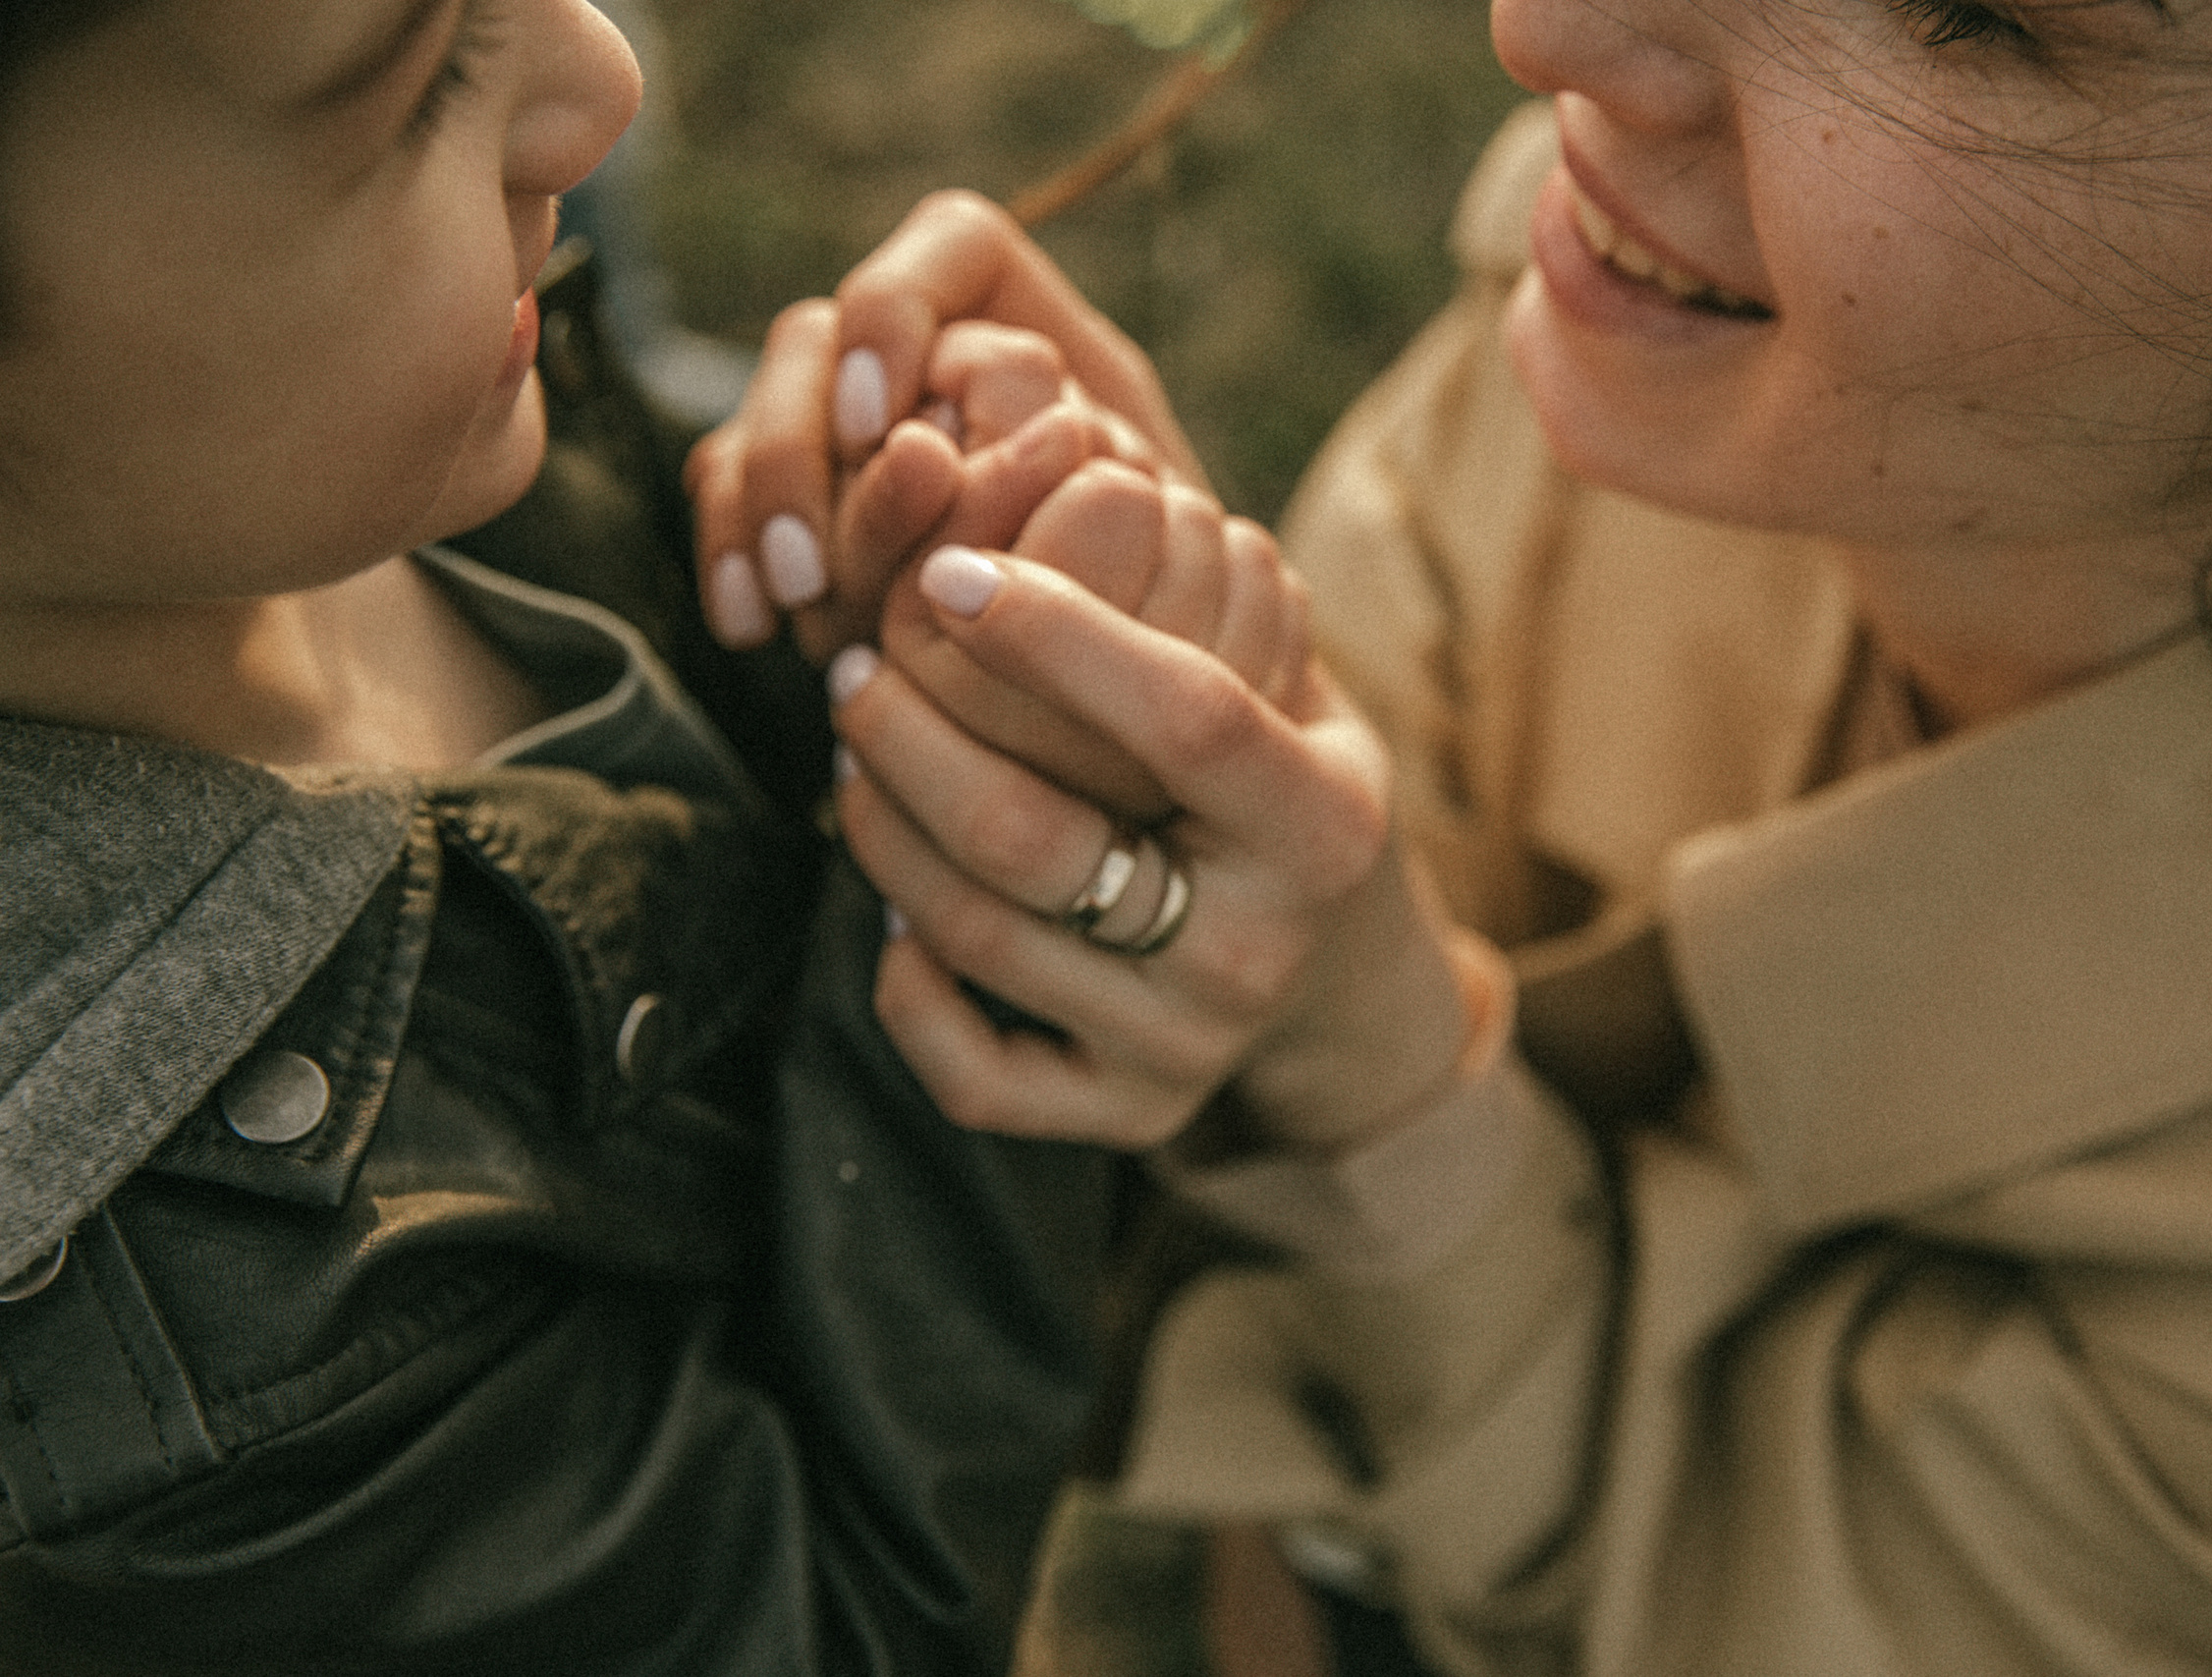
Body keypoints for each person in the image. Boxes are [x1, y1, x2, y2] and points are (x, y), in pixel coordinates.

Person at [693, 0, 2212, 1671]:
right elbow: (1410, 637)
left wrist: (1375, 1057)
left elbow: (1698, 1598)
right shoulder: (1713, 307)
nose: (1547, 29)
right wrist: (1120, 659)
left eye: (1977, 14)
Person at [0, 3, 1306, 1670]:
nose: (604, 77)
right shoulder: (179, 1366)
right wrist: (986, 880)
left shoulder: (249, 471)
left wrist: (833, 618)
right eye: (406, 101)